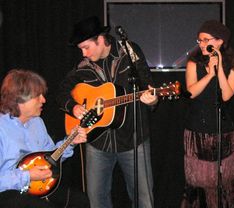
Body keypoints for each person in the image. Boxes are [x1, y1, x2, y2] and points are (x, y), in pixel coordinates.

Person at [56, 16, 157, 208]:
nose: (84, 54)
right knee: (96, 199)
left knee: (144, 200)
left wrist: (153, 98)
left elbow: (147, 83)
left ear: (101, 40)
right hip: (98, 142)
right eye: (81, 50)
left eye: (86, 47)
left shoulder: (129, 51)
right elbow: (61, 92)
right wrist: (73, 107)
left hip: (133, 140)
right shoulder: (82, 66)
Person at [0, 69, 88, 208]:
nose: (44, 100)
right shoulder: (2, 128)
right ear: (20, 100)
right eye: (38, 96)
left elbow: (50, 157)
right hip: (8, 193)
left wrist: (70, 142)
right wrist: (27, 176)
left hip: (37, 187)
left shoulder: (37, 122)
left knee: (80, 201)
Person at [181, 20, 234, 207]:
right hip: (197, 130)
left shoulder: (233, 65)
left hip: (223, 132)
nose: (201, 44)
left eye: (205, 39)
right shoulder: (193, 62)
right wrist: (209, 75)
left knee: (225, 185)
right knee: (199, 185)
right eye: (199, 40)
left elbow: (226, 95)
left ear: (220, 41)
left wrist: (219, 68)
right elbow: (190, 92)